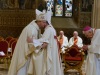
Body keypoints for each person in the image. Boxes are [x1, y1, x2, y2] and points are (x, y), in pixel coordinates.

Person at [7, 9, 47, 75]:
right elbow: (31, 45)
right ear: (39, 21)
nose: (45, 24)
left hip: (27, 54)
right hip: (25, 56)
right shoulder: (32, 29)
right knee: (23, 71)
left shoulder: (35, 28)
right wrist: (42, 45)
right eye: (44, 22)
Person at [27, 9, 64, 75]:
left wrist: (32, 40)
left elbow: (42, 41)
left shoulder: (48, 30)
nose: (43, 25)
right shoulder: (51, 29)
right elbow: (46, 39)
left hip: (50, 53)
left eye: (44, 22)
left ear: (46, 22)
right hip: (53, 53)